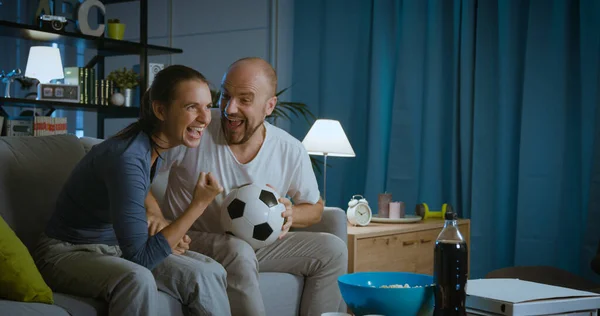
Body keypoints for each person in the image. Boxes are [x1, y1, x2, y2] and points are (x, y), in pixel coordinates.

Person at [147, 57, 348, 316]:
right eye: (225, 96)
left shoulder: (289, 149)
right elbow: (137, 175)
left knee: (332, 250)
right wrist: (156, 216)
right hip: (191, 240)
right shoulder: (195, 128)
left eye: (245, 99)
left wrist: (292, 213)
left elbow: (315, 207)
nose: (230, 109)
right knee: (237, 250)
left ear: (269, 106)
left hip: (257, 245)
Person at [32, 65, 232, 316]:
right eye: (192, 107)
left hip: (112, 246)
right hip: (66, 253)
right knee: (136, 278)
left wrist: (160, 222)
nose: (205, 117)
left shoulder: (151, 146)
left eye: (207, 105)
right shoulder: (127, 157)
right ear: (160, 110)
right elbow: (141, 259)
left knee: (209, 272)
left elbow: (133, 193)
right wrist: (199, 204)